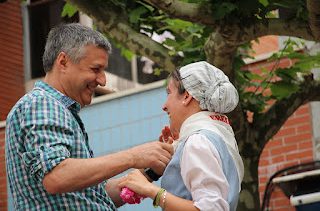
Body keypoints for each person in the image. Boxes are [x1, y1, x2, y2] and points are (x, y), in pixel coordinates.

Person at [5, 23, 174, 210]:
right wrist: (133, 156)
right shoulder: (43, 104)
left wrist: (149, 168)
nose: (102, 80)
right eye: (95, 69)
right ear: (63, 62)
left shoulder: (58, 109)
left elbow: (95, 195)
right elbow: (56, 177)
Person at [119, 61, 244, 211]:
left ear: (186, 96)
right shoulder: (220, 136)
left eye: (169, 92)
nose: (164, 106)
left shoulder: (197, 141)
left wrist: (150, 190)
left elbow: (211, 208)